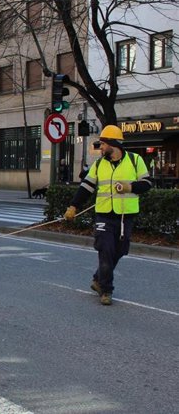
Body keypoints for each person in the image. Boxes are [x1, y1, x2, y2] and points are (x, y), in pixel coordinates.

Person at [64, 125, 152, 305]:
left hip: (125, 215)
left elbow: (148, 184)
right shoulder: (98, 164)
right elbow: (86, 187)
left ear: (113, 144)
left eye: (103, 144)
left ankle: (98, 279)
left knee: (120, 251)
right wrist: (73, 206)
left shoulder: (135, 160)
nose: (101, 147)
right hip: (103, 215)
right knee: (106, 250)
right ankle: (106, 290)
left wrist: (130, 187)